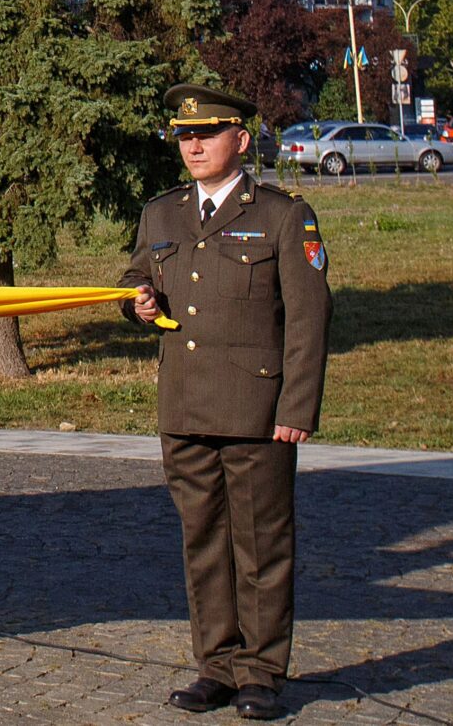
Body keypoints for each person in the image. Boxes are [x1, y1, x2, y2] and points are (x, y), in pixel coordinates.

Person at [125, 83, 331, 722]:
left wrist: (296, 406)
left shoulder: (281, 213)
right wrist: (137, 301)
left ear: (239, 140)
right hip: (184, 406)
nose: (192, 146)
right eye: (184, 136)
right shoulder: (161, 214)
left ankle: (262, 672)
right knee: (204, 541)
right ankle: (215, 664)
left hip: (255, 410)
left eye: (206, 135)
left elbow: (309, 316)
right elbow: (137, 276)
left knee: (261, 543)